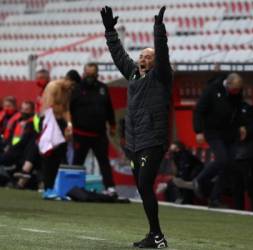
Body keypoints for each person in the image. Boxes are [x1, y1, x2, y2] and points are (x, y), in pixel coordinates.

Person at [101, 5, 172, 248]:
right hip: (133, 140)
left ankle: (158, 236)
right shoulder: (132, 74)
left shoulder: (161, 76)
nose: (143, 58)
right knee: (143, 189)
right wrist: (110, 30)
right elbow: (119, 55)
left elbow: (162, 54)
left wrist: (158, 29)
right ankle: (154, 235)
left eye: (148, 56)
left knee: (144, 185)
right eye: (142, 55)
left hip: (153, 139)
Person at [193, 73, 244, 207]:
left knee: (229, 164)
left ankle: (214, 198)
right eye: (235, 89)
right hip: (213, 131)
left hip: (230, 133)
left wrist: (241, 125)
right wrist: (198, 131)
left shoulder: (237, 93)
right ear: (228, 84)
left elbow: (238, 110)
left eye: (238, 90)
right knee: (222, 159)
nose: (236, 92)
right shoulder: (212, 90)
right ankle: (199, 180)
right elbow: (199, 110)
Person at [70, 63, 117, 195]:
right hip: (80, 133)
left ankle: (110, 188)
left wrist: (112, 125)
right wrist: (68, 126)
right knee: (77, 162)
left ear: (97, 74)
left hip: (99, 134)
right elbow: (70, 109)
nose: (90, 77)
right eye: (88, 74)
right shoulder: (77, 89)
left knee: (104, 162)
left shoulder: (103, 88)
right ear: (84, 74)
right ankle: (73, 186)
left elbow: (109, 108)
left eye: (93, 74)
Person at [39, 71, 76, 199]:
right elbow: (50, 106)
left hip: (60, 122)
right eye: (71, 84)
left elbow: (66, 109)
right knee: (49, 155)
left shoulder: (68, 91)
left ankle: (51, 187)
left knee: (60, 154)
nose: (71, 88)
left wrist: (69, 125)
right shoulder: (53, 86)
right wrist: (58, 125)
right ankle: (47, 188)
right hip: (49, 121)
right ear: (67, 79)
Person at [231, 102, 253, 211]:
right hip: (235, 156)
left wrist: (242, 130)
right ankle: (238, 212)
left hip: (248, 156)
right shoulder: (230, 112)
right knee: (236, 188)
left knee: (251, 188)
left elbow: (248, 132)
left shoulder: (251, 109)